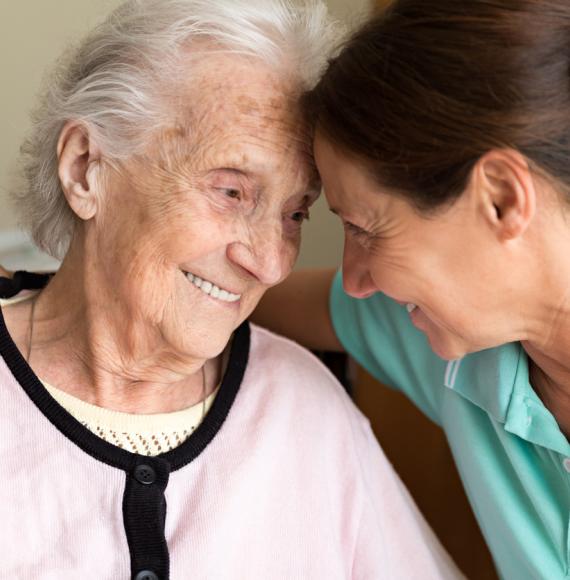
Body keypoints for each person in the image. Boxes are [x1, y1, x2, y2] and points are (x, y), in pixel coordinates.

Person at [0, 0, 465, 578]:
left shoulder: (304, 410)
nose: (270, 264)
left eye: (296, 214)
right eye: (231, 193)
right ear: (85, 169)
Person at [253, 0, 570, 579]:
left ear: (500, 198)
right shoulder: (439, 336)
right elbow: (241, 295)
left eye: (365, 230)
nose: (355, 278)